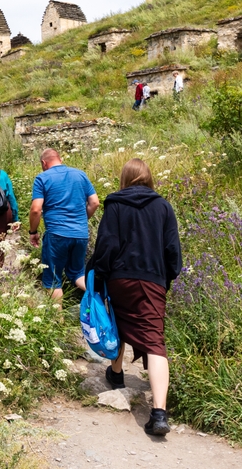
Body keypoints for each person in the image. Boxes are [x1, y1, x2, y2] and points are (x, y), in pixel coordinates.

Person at [86, 159, 182, 437]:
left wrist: (98, 274)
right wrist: (167, 278)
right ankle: (159, 414)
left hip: (120, 278)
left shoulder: (115, 205)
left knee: (119, 318)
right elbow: (172, 249)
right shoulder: (163, 206)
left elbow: (107, 244)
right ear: (149, 178)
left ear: (125, 179)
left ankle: (116, 373)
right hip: (152, 278)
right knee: (154, 340)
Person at [29, 148, 99, 300]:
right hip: (81, 233)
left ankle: (58, 321)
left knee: (52, 279)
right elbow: (94, 202)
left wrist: (32, 232)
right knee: (78, 273)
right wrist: (80, 220)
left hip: (56, 235)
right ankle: (99, 298)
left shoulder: (42, 178)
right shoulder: (80, 174)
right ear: (60, 159)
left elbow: (36, 210)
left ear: (43, 163)